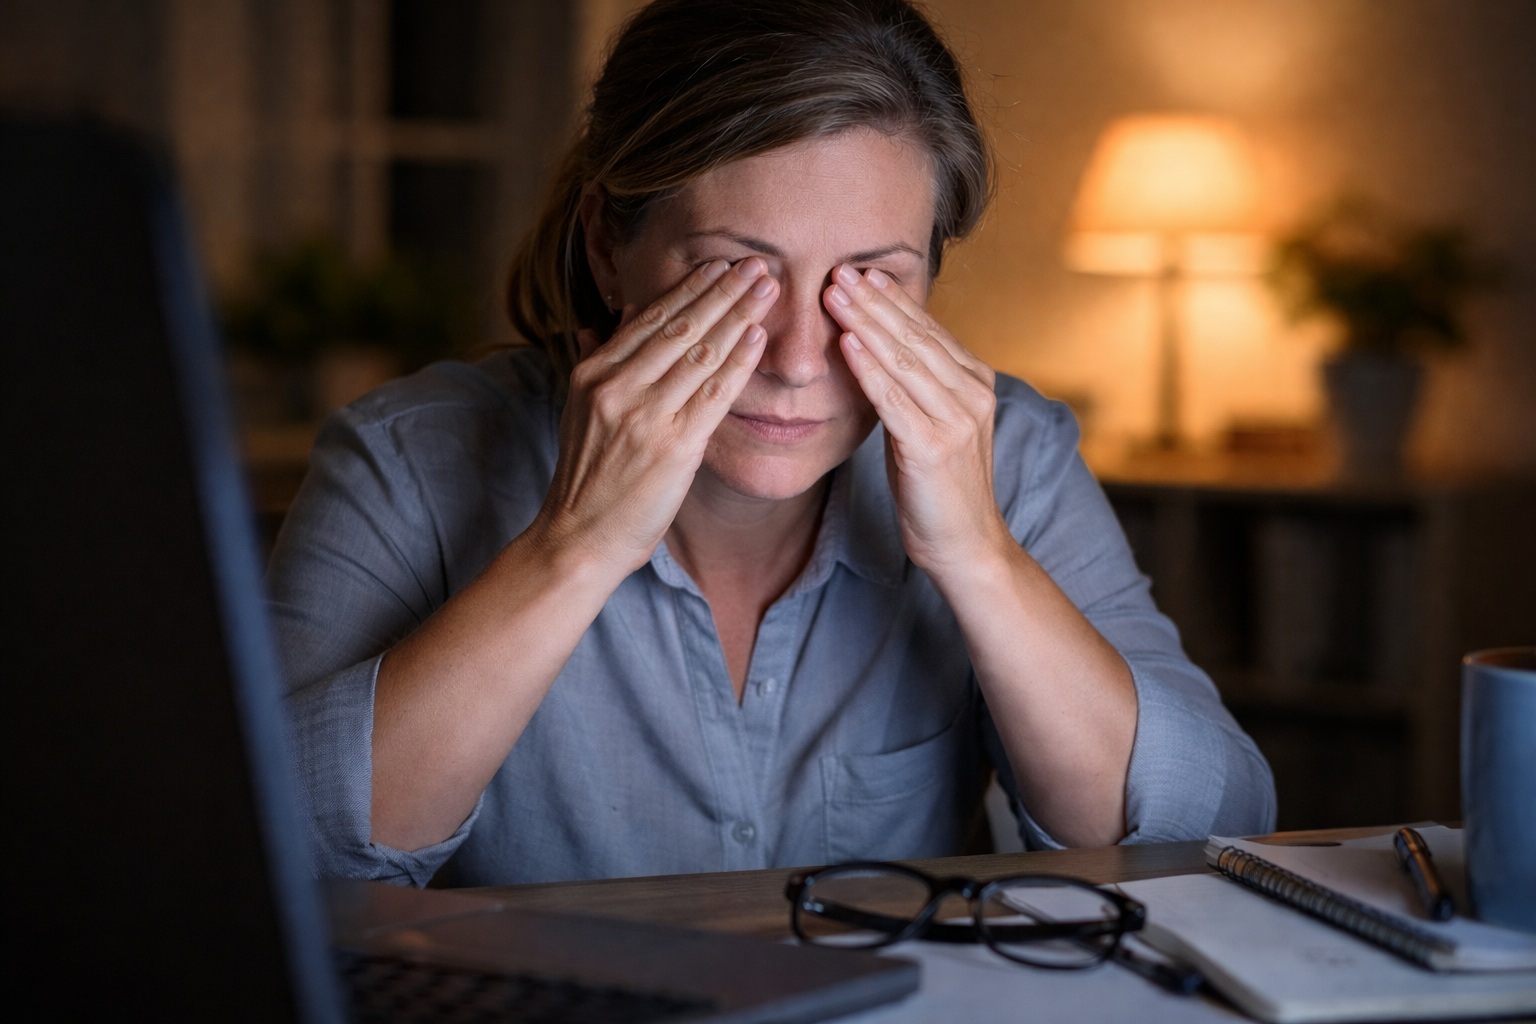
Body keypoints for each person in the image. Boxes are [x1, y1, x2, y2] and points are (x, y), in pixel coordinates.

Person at [272, 0, 1276, 888]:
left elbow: (1216, 831)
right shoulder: (405, 458)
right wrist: (572, 548)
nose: (799, 358)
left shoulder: (1011, 454)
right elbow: (271, 848)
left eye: (868, 284)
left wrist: (980, 559)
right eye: (733, 276)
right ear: (606, 248)